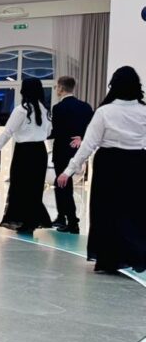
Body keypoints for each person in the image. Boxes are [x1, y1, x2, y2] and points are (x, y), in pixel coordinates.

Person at [58, 66, 146, 273]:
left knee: (107, 212)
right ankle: (135, 255)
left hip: (109, 164)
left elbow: (88, 144)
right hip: (137, 164)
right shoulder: (143, 110)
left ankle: (109, 258)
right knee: (134, 211)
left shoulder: (105, 111)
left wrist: (68, 170)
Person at [0, 77, 52, 234]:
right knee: (35, 188)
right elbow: (48, 132)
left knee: (20, 186)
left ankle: (22, 220)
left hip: (24, 152)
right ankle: (31, 221)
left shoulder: (21, 110)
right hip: (40, 152)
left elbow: (7, 132)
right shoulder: (45, 110)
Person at [49, 76, 94, 234]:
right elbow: (93, 127)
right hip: (78, 151)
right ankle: (62, 217)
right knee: (63, 185)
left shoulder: (58, 108)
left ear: (61, 88)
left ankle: (72, 221)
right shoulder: (85, 107)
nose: (56, 89)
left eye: (56, 87)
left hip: (62, 150)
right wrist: (82, 137)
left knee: (63, 185)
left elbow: (56, 131)